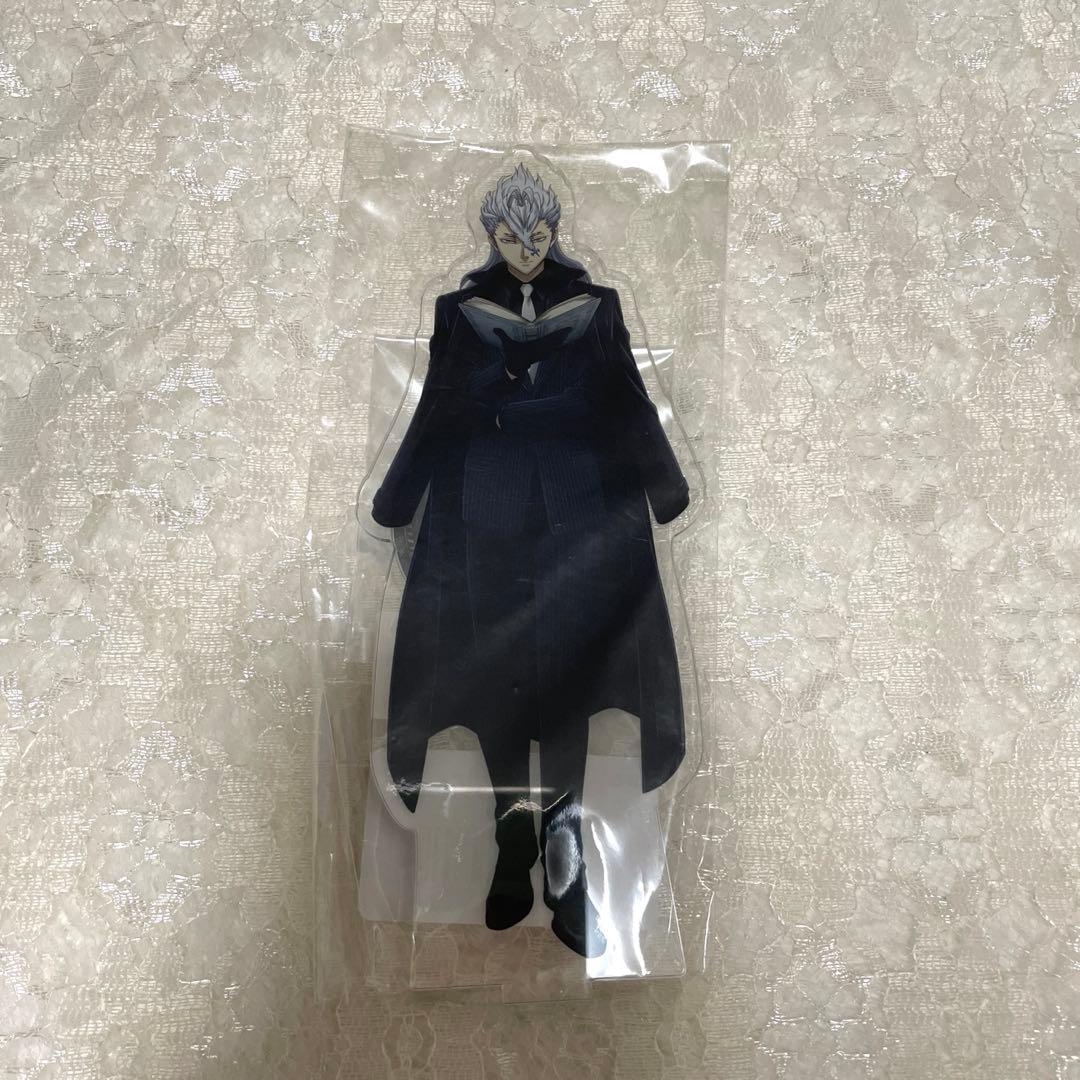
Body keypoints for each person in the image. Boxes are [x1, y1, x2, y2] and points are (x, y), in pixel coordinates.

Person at [370, 163, 690, 958]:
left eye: (536, 235)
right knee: (498, 684)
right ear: (491, 235)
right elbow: (438, 406)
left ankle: (566, 851)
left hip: (581, 516)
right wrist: (397, 497)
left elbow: (627, 400)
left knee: (573, 683)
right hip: (486, 515)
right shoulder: (458, 312)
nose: (524, 249)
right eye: (511, 236)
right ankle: (513, 844)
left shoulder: (598, 306)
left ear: (553, 232)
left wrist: (664, 487)